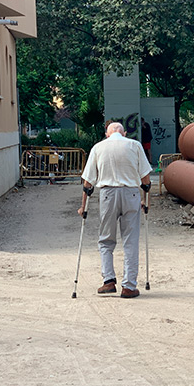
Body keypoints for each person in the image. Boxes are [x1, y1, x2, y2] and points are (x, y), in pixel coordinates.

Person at [78, 122, 152, 298]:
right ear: (124, 133)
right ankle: (129, 286)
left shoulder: (98, 147)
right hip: (131, 194)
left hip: (108, 195)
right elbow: (146, 179)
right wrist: (145, 201)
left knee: (106, 240)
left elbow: (87, 183)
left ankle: (109, 281)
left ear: (106, 134)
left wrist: (83, 207)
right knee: (131, 241)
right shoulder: (135, 145)